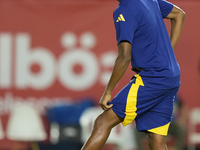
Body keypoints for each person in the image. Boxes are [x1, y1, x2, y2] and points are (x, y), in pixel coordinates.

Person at [81, 0, 185, 150]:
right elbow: (179, 14)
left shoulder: (123, 10)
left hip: (153, 78)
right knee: (156, 140)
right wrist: (167, 55)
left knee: (102, 122)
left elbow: (124, 57)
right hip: (171, 77)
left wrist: (108, 92)